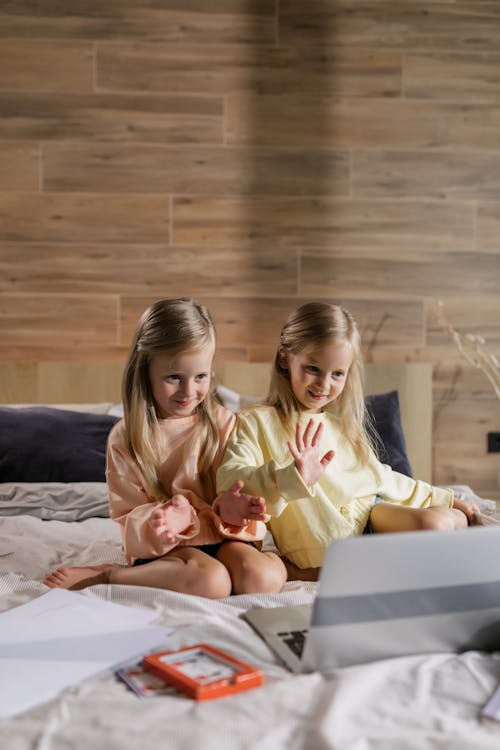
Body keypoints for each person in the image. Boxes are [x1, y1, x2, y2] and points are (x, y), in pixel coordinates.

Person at [216, 301, 478, 581]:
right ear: (284, 359)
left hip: (372, 517)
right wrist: (291, 477)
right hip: (323, 549)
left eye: (337, 374)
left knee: (439, 523)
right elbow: (232, 480)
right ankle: (304, 573)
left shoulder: (340, 427)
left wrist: (444, 497)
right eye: (313, 369)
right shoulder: (255, 421)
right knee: (421, 537)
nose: (324, 385)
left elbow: (383, 478)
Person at [44, 298, 286, 598]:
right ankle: (111, 575)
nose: (188, 391)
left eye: (200, 377)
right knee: (212, 583)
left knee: (260, 578)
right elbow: (128, 514)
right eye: (174, 378)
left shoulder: (225, 424)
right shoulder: (127, 437)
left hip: (225, 538)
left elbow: (243, 485)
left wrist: (232, 509)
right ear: (146, 371)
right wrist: (163, 521)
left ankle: (294, 567)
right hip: (168, 549)